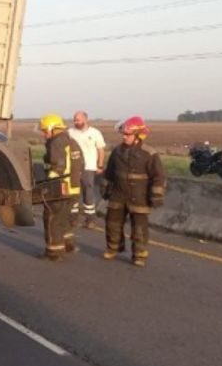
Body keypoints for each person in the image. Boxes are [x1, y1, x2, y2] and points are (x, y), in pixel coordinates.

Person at [101, 116, 166, 267]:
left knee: (139, 229)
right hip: (118, 194)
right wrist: (105, 188)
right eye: (123, 134)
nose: (124, 137)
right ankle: (113, 248)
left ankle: (139, 255)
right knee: (112, 223)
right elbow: (109, 172)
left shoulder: (149, 153)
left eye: (127, 134)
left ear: (138, 136)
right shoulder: (117, 151)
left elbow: (158, 176)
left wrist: (156, 195)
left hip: (140, 196)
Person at [39, 113, 83, 261]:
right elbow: (80, 164)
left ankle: (54, 252)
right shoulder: (72, 141)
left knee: (53, 220)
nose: (44, 134)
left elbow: (58, 167)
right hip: (73, 188)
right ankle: (68, 244)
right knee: (64, 218)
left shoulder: (57, 142)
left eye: (45, 131)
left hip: (60, 189)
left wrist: (48, 186)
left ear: (52, 128)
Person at [67, 111, 106, 229]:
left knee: (88, 193)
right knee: (73, 193)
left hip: (88, 167)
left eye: (78, 119)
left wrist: (100, 165)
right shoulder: (69, 132)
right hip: (73, 168)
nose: (75, 122)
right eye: (74, 119)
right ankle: (73, 218)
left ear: (85, 119)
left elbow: (101, 150)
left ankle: (90, 219)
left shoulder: (95, 133)